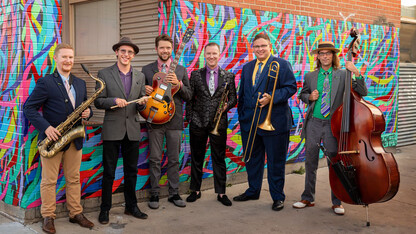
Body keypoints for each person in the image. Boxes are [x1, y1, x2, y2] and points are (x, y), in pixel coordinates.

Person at [23, 43, 94, 233]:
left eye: (71, 57)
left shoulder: (79, 82)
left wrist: (89, 112)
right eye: (64, 57)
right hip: (53, 140)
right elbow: (28, 108)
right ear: (56, 59)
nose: (68, 61)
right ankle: (48, 216)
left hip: (75, 138)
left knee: (74, 178)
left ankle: (75, 213)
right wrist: (46, 128)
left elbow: (85, 108)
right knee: (49, 180)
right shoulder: (46, 82)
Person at [294, 41, 368, 215]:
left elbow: (362, 91)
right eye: (321, 53)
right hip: (313, 123)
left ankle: (337, 201)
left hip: (332, 125)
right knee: (310, 162)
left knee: (334, 163)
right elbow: (302, 94)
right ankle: (308, 197)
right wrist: (309, 97)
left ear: (333, 56)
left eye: (328, 53)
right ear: (317, 56)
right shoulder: (310, 76)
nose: (325, 56)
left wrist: (356, 72)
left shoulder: (343, 74)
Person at [234, 33, 297, 211]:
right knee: (253, 160)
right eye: (256, 46)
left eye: (263, 46)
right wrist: (242, 117)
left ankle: (278, 197)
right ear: (253, 48)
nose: (260, 49)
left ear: (270, 46)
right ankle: (253, 190)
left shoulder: (282, 64)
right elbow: (243, 93)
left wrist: (272, 98)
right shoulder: (247, 67)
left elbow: (291, 87)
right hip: (250, 122)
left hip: (274, 122)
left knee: (275, 162)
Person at [94, 37, 149, 224]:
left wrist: (143, 103)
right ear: (117, 52)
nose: (126, 55)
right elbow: (98, 101)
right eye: (123, 51)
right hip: (112, 129)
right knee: (109, 171)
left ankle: (131, 206)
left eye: (130, 52)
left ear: (133, 55)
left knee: (131, 171)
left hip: (132, 130)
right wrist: (113, 101)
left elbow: (141, 107)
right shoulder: (104, 73)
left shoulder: (140, 76)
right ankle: (105, 209)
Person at [142, 34, 192, 209]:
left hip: (175, 121)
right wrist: (144, 90)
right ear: (156, 49)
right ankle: (154, 194)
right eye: (162, 47)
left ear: (173, 50)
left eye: (168, 48)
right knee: (155, 159)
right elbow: (140, 95)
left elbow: (189, 95)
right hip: (155, 119)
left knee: (173, 159)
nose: (165, 51)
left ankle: (174, 192)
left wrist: (179, 84)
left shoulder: (181, 70)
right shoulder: (147, 70)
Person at [185, 42, 237, 206]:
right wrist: (190, 118)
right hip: (198, 122)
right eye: (208, 54)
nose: (211, 56)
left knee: (219, 158)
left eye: (214, 53)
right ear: (204, 55)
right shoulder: (195, 75)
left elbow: (234, 99)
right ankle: (195, 190)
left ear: (219, 54)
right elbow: (189, 99)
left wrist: (225, 107)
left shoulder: (228, 76)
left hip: (219, 123)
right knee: (197, 157)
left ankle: (221, 193)